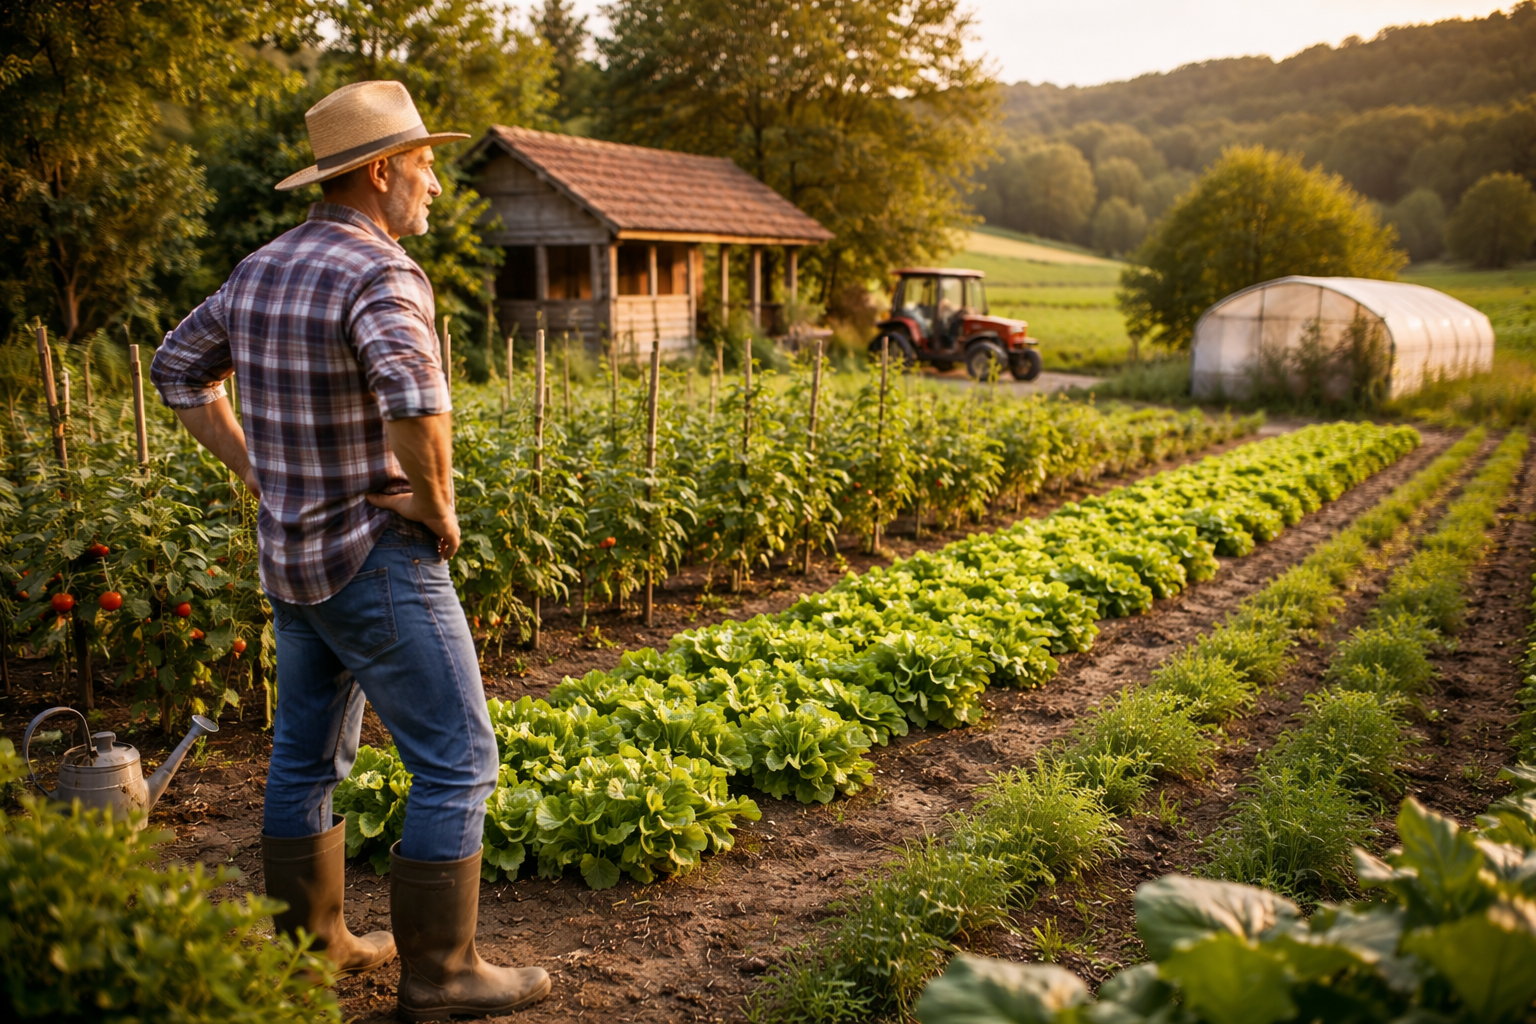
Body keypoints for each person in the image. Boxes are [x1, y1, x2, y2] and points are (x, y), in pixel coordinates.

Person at [151, 80, 550, 1021]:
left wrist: (258, 470)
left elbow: (177, 368)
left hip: (294, 560)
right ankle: (442, 974)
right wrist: (439, 506)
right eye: (425, 164)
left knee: (303, 757)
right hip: (375, 555)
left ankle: (313, 948)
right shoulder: (380, 272)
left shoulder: (261, 267)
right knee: (459, 758)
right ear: (379, 171)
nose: (435, 184)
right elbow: (416, 400)